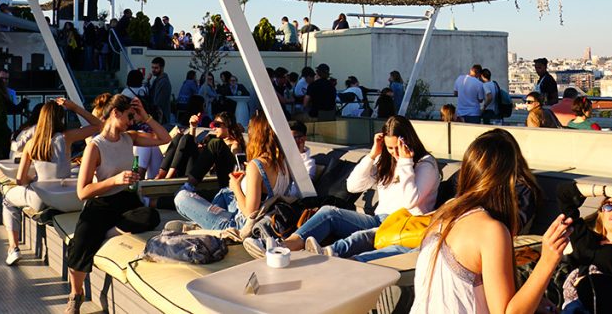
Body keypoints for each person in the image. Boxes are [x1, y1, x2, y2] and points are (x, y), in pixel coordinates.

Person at [409, 130, 573, 314]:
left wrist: (531, 298)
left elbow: (460, 291)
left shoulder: (444, 213)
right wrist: (548, 260)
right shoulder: (490, 230)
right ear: (512, 179)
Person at [251, 116, 440, 262]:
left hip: (402, 225)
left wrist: (406, 162)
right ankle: (282, 246)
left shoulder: (425, 165)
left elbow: (411, 201)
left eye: (397, 148)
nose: (394, 153)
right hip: (377, 219)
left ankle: (322, 253)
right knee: (328, 212)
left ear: (408, 141)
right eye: (390, 148)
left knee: (362, 236)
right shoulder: (388, 161)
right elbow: (353, 185)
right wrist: (373, 154)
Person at [65, 96, 168, 314]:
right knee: (79, 244)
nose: (132, 121)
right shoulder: (95, 147)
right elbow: (82, 192)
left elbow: (164, 138)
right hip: (101, 202)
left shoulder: (129, 138)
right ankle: (76, 294)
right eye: (129, 116)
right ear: (115, 113)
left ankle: (109, 232)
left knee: (151, 216)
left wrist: (145, 116)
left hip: (125, 200)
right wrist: (115, 180)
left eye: (134, 116)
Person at [2, 98, 102, 266]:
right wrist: (75, 107)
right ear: (60, 118)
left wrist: (33, 180)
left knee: (7, 200)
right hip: (66, 197)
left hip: (41, 198)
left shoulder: (31, 144)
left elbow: (20, 179)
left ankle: (13, 248)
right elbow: (99, 125)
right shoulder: (67, 137)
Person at [174, 112, 289, 231]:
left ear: (256, 134)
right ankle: (204, 222)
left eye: (249, 129)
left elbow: (250, 213)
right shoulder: (284, 161)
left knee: (181, 197)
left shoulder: (257, 165)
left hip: (238, 224)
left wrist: (236, 187)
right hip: (267, 214)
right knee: (224, 193)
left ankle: (205, 224)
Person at [156, 110, 244, 188]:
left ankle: (167, 179)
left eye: (217, 125)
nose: (214, 128)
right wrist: (193, 127)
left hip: (204, 176)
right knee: (180, 137)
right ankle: (162, 175)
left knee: (186, 139)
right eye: (213, 124)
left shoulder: (234, 146)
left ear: (228, 125)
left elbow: (230, 169)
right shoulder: (212, 139)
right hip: (195, 172)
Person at [148, 56, 172, 125]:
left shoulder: (163, 82)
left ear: (162, 68)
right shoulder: (156, 80)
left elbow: (158, 102)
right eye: (152, 67)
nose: (153, 70)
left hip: (161, 119)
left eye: (156, 68)